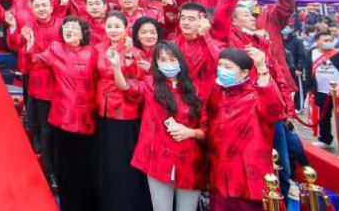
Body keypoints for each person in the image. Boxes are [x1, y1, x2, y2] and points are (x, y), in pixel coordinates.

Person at [112, 42, 207, 211]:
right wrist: (116, 67)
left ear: (181, 61)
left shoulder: (197, 89)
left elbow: (207, 129)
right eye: (162, 60)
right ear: (156, 63)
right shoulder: (151, 84)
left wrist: (190, 132)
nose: (167, 64)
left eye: (172, 59)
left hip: (190, 162)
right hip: (158, 160)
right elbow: (126, 87)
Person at [21, 16, 97, 211]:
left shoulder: (94, 52)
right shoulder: (55, 49)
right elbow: (32, 64)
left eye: (74, 27)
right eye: (66, 27)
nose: (69, 30)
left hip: (89, 119)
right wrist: (30, 43)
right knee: (65, 167)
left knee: (86, 167)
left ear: (83, 33)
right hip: (63, 118)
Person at [207, 47, 284, 210]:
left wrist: (262, 70)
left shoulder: (256, 96)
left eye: (228, 67)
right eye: (220, 65)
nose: (222, 70)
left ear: (244, 73)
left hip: (248, 175)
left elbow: (275, 109)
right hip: (220, 173)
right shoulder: (218, 94)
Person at [92, 11, 151, 211]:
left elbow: (139, 81)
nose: (113, 30)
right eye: (109, 26)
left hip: (125, 112)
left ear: (126, 28)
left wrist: (128, 59)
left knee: (123, 162)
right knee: (106, 161)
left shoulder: (135, 51)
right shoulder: (99, 48)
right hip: (102, 109)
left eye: (117, 26)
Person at [5, 0, 64, 189]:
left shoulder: (63, 24)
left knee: (61, 130)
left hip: (64, 83)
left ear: (51, 6)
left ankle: (62, 167)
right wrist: (14, 28)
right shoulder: (28, 27)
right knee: (46, 129)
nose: (41, 9)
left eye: (44, 5)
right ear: (32, 9)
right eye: (37, 6)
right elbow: (14, 43)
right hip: (41, 84)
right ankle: (50, 171)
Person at [310, 31, 339, 157]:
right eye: (325, 40)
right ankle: (325, 139)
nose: (328, 43)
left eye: (330, 40)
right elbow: (308, 70)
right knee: (323, 117)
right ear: (317, 41)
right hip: (321, 90)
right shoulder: (312, 53)